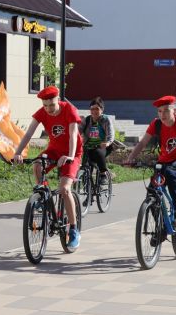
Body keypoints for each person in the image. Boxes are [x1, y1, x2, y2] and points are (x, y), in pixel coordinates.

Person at [12, 85, 82, 249]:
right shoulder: (42, 113)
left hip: (73, 153)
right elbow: (28, 133)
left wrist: (70, 156)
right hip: (54, 151)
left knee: (65, 189)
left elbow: (73, 135)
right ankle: (42, 196)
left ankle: (73, 229)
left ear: (58, 100)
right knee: (37, 164)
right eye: (45, 105)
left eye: (52, 105)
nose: (49, 109)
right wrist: (18, 153)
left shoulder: (69, 110)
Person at [124, 95, 176, 228]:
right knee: (152, 191)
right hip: (164, 161)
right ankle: (160, 228)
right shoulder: (156, 124)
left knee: (170, 174)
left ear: (174, 111)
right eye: (160, 111)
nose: (163, 114)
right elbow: (142, 143)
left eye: (167, 110)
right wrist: (130, 158)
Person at [78, 96, 114, 184]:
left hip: (103, 146)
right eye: (92, 109)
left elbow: (111, 134)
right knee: (86, 168)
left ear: (102, 110)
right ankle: (88, 192)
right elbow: (78, 132)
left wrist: (108, 143)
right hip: (88, 147)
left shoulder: (106, 120)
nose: (94, 111)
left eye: (97, 109)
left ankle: (103, 174)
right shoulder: (86, 120)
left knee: (98, 152)